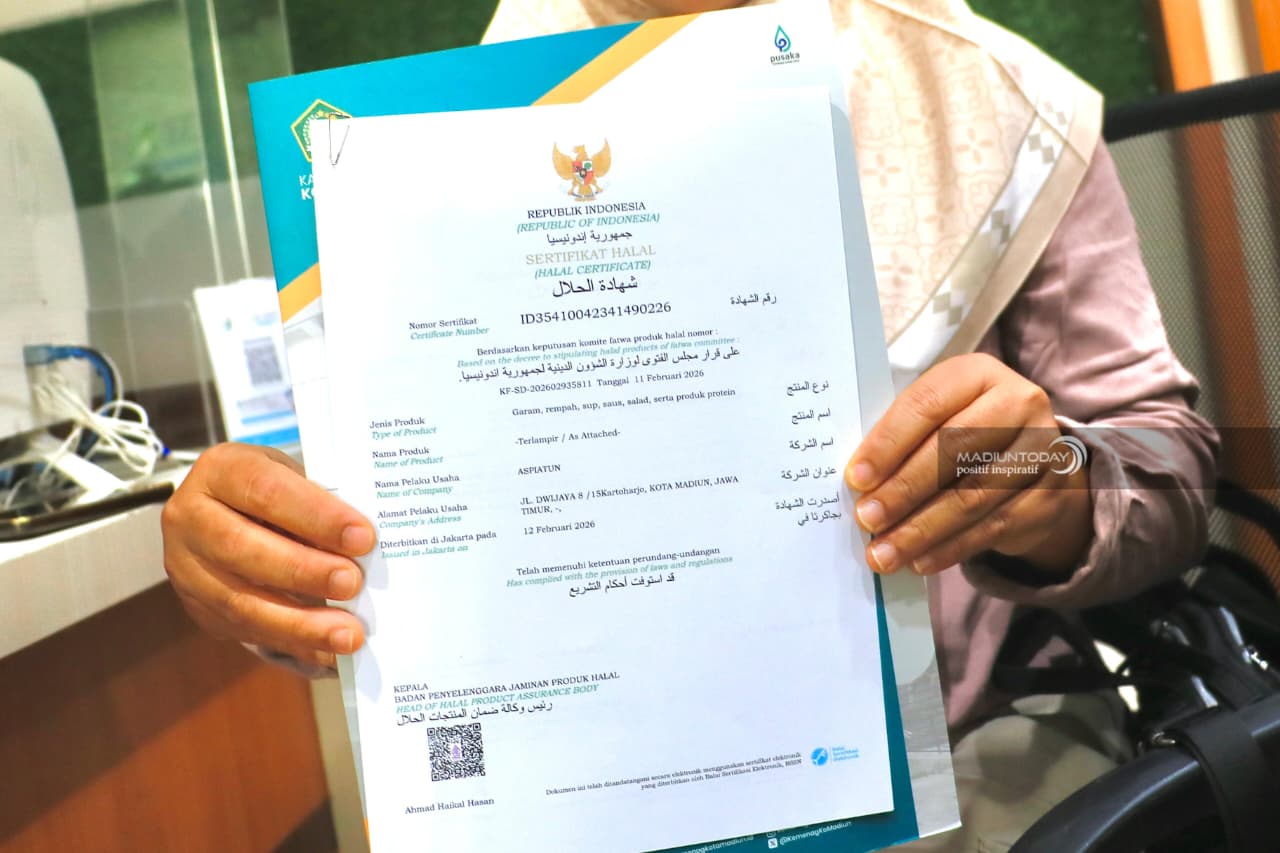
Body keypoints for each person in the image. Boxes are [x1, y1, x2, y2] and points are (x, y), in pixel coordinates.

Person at [161, 0, 1218, 849]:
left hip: (968, 753)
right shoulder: (423, 142)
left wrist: (1048, 481)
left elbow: (1166, 464)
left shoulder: (993, 105)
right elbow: (382, 538)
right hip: (573, 795)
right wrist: (271, 563)